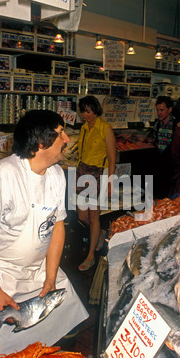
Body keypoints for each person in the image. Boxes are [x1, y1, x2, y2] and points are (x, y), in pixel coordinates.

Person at [0, 110, 89, 358]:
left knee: (69, 321)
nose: (67, 138)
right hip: (2, 275)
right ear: (41, 143)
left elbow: (57, 226)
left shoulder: (56, 175)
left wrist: (51, 276)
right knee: (5, 355)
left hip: (41, 269)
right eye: (61, 133)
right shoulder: (3, 175)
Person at [76, 96, 116, 271]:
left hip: (98, 174)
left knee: (94, 217)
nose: (85, 114)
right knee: (81, 217)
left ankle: (90, 256)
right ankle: (101, 234)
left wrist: (109, 182)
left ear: (95, 110)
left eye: (88, 111)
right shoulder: (84, 128)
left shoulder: (105, 129)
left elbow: (113, 159)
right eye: (83, 111)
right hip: (82, 173)